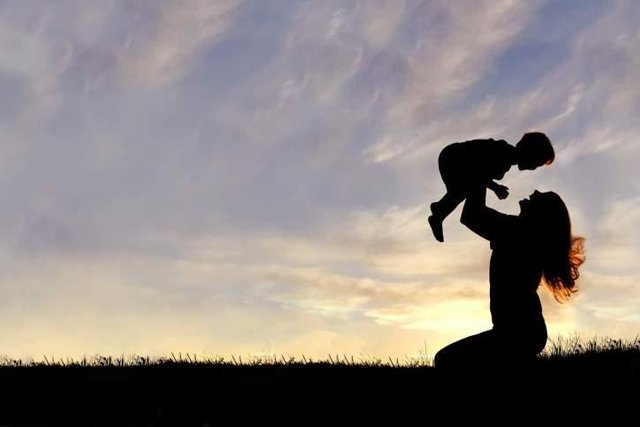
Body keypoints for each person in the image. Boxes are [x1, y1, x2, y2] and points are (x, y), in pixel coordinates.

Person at [433, 186, 585, 370]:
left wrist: (479, 174)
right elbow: (472, 215)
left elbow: (472, 215)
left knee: (445, 360)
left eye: (541, 197)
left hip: (518, 335)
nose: (536, 191)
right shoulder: (518, 230)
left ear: (541, 216)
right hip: (522, 333)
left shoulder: (515, 230)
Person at [428, 132, 555, 242]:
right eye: (536, 164)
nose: (533, 169)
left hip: (457, 161)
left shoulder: (505, 158)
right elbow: (480, 171)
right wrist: (495, 188)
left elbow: (482, 174)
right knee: (464, 189)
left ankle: (439, 210)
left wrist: (495, 187)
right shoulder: (503, 153)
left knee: (461, 190)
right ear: (530, 154)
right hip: (454, 159)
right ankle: (439, 210)